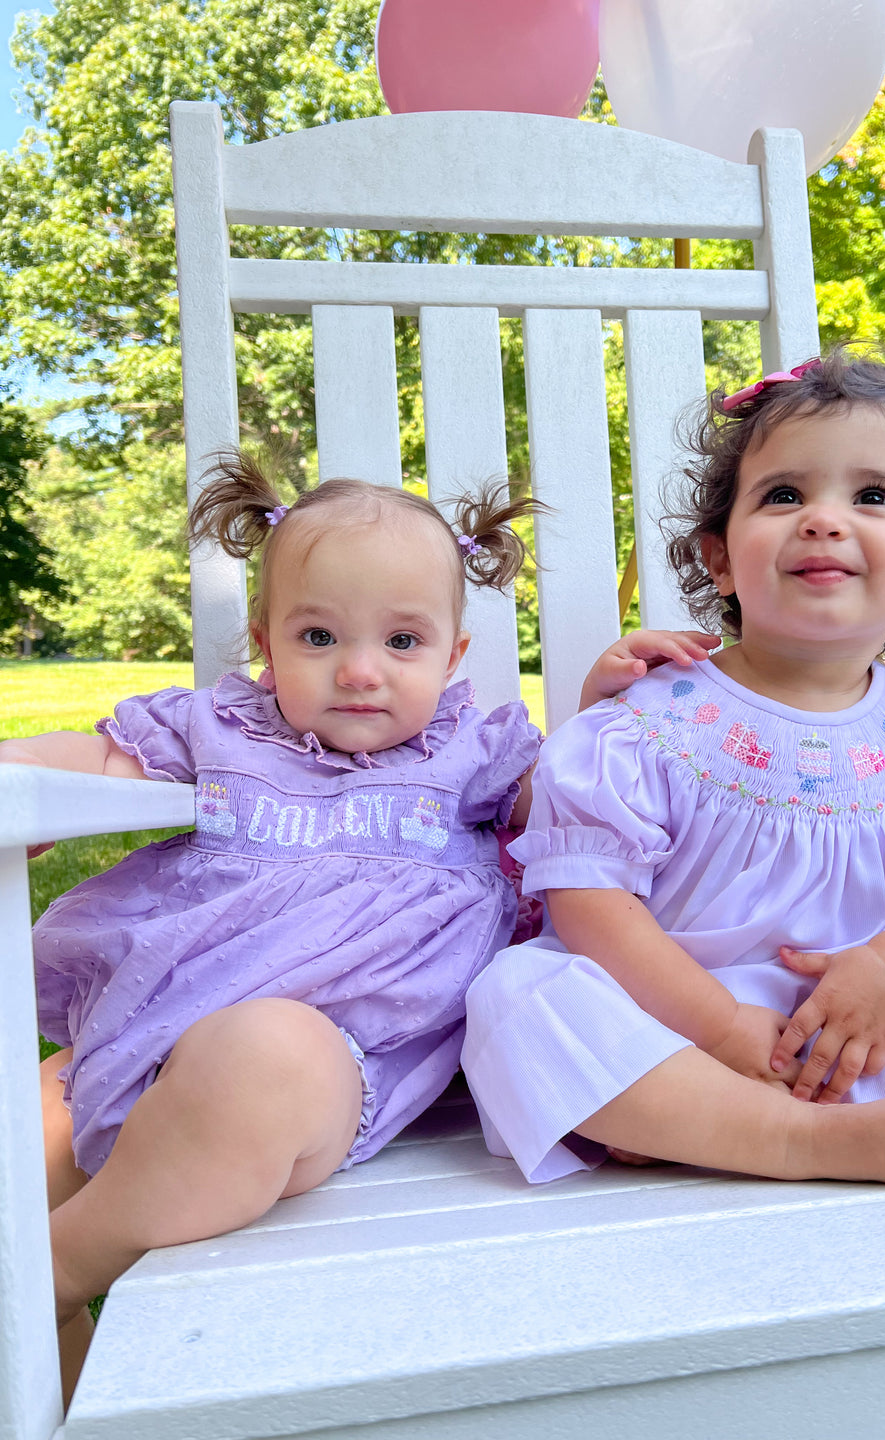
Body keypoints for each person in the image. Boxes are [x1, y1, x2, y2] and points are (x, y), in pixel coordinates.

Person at [5, 453, 714, 1385]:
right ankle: (44, 1374)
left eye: (403, 643)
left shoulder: (477, 751)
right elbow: (97, 763)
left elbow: (564, 807)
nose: (359, 671)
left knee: (266, 1053)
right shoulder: (221, 730)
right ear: (264, 641)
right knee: (19, 1134)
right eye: (318, 636)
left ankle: (49, 1275)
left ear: (455, 657)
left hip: (329, 1065)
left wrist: (597, 708)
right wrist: (21, 769)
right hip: (138, 1043)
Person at [463, 351, 885, 1191]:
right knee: (520, 999)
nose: (824, 520)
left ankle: (705, 1121)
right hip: (680, 1012)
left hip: (871, 1015)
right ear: (719, 559)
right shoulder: (648, 721)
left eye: (873, 496)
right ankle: (805, 1138)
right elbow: (590, 905)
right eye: (784, 495)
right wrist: (718, 1028)